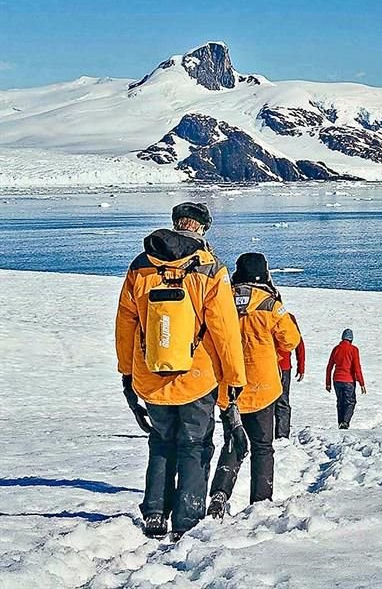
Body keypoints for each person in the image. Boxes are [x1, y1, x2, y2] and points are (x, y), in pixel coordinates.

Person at [115, 202, 246, 540]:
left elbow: (126, 325)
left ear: (176, 224)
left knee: (160, 441)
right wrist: (233, 380)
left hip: (150, 373)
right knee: (194, 444)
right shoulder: (209, 269)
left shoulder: (141, 266)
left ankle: (155, 512)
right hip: (197, 378)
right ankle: (187, 520)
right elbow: (225, 332)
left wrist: (127, 372)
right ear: (202, 228)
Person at [208, 253, 301, 519]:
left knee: (232, 443)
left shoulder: (222, 299)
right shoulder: (270, 305)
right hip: (262, 388)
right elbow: (291, 340)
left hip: (229, 389)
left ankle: (219, 494)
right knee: (262, 447)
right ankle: (260, 503)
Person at [325, 329, 366, 429]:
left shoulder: (336, 349)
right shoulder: (353, 349)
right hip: (349, 380)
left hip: (336, 379)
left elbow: (329, 366)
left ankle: (340, 422)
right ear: (351, 339)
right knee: (350, 402)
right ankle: (345, 422)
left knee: (340, 401)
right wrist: (362, 383)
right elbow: (357, 367)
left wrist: (328, 383)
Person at [275, 314, 306, 440]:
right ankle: (281, 436)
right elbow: (298, 342)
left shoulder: (259, 313)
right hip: (283, 366)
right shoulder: (287, 317)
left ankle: (266, 435)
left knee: (265, 403)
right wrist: (301, 366)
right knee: (282, 401)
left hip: (266, 366)